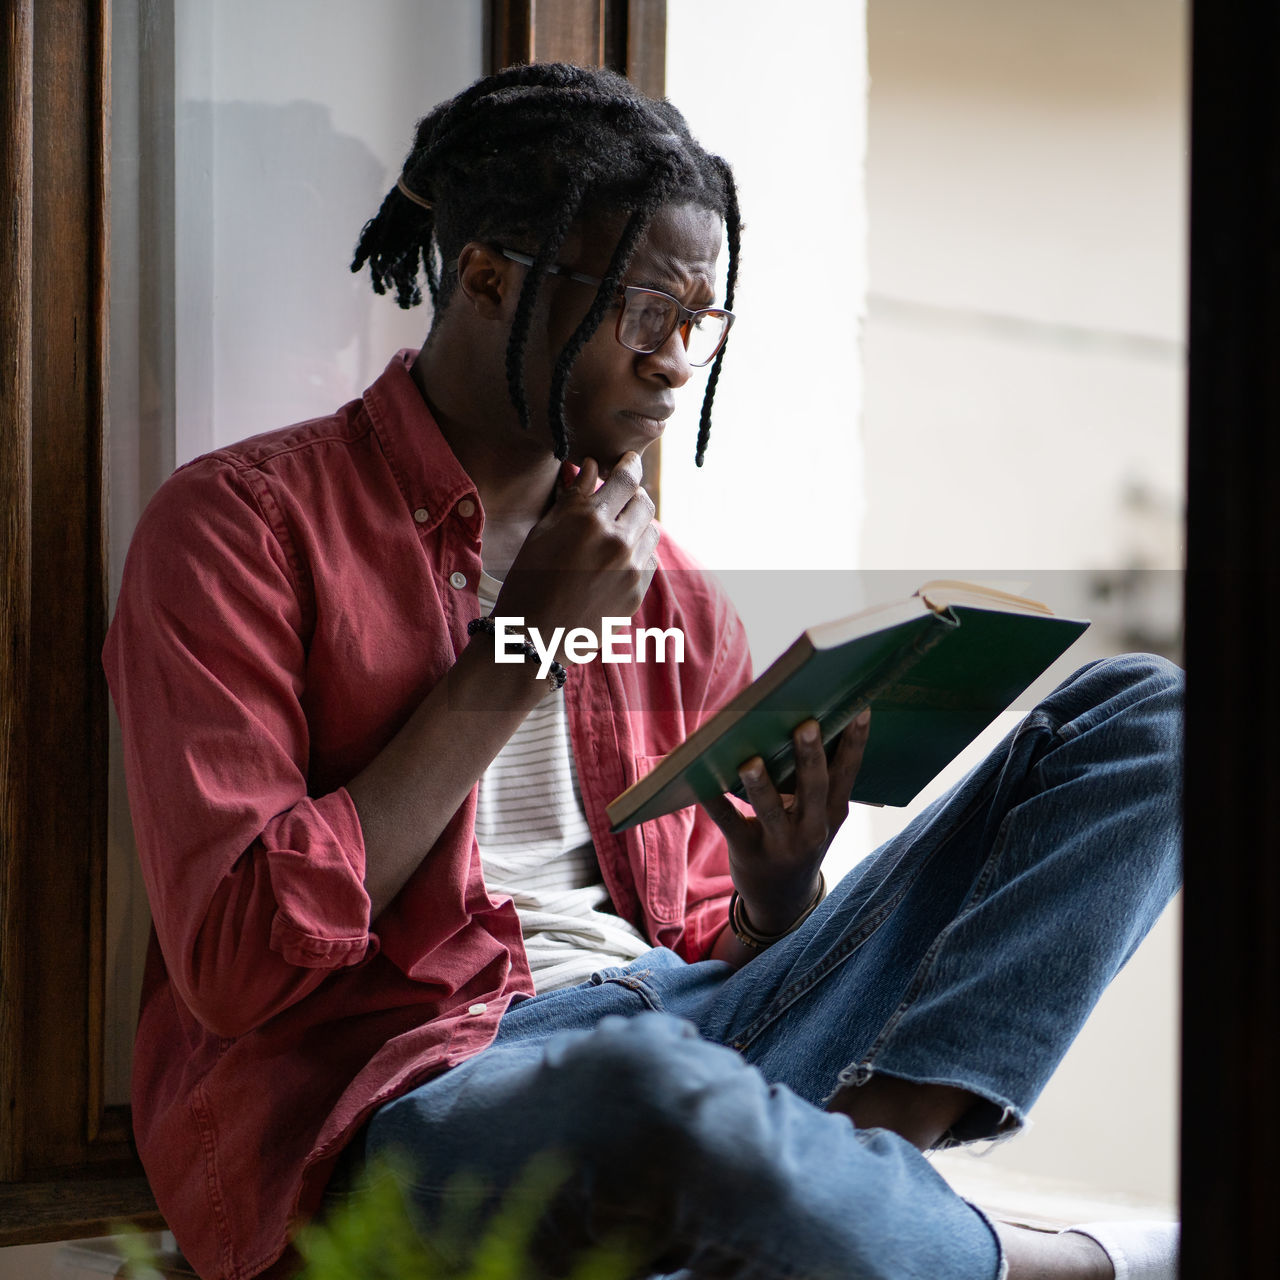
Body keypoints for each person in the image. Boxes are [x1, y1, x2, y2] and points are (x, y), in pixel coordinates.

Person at [104, 63, 1182, 1280]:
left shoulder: (671, 590)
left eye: (698, 323)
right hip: (420, 1098)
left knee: (1153, 720)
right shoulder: (241, 527)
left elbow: (724, 951)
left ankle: (859, 1180)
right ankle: (1016, 1257)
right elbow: (239, 961)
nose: (676, 361)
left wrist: (779, 889)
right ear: (489, 279)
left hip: (694, 1031)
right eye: (643, 312)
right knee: (645, 1086)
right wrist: (523, 648)